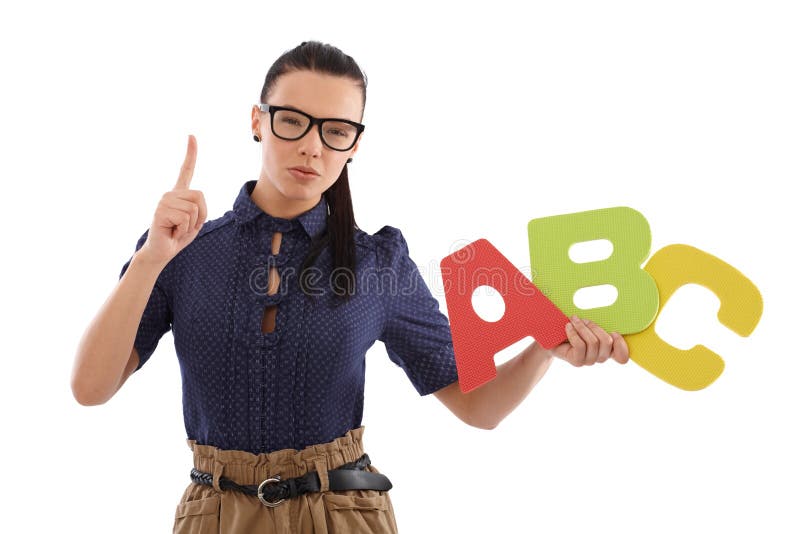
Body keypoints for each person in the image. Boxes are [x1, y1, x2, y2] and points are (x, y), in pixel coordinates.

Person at [71, 41, 629, 533]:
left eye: (335, 131)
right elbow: (90, 388)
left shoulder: (378, 265)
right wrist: (150, 261)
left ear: (354, 144)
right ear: (257, 121)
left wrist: (543, 349)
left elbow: (478, 407)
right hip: (214, 516)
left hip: (340, 517)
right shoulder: (181, 250)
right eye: (292, 120)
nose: (312, 147)